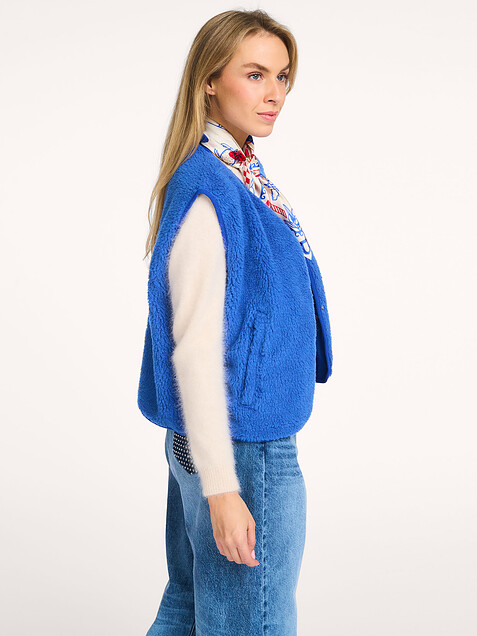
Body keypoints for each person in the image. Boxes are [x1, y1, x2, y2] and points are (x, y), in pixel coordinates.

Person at [137, 9, 333, 636]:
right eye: (255, 74)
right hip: (242, 447)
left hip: (216, 437)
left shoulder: (239, 173)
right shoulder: (210, 190)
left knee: (192, 607)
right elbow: (193, 349)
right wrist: (223, 487)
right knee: (255, 621)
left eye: (282, 76)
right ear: (209, 81)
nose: (274, 93)